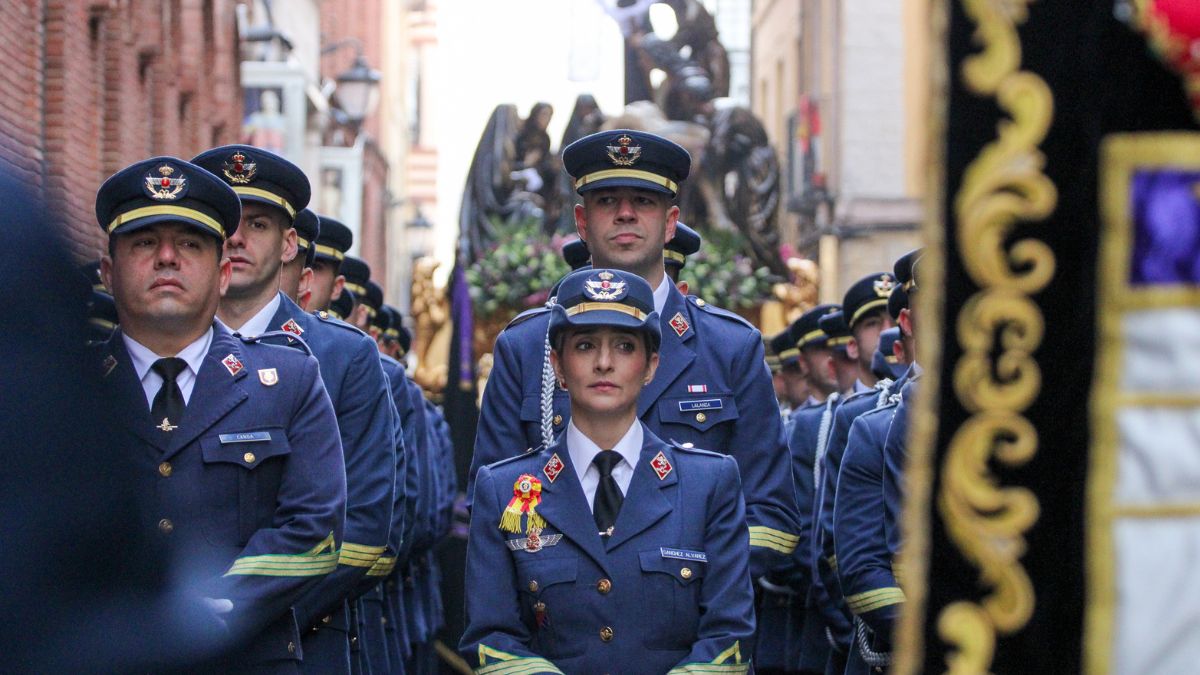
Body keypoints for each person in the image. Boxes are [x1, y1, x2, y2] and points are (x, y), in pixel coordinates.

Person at [471, 129, 801, 582]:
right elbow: (493, 508)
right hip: (560, 629)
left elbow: (773, 519)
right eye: (608, 201)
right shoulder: (527, 347)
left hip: (692, 630)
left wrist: (668, 575)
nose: (626, 214)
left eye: (644, 201)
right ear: (583, 223)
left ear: (670, 222)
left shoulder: (730, 348)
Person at [94, 156, 347, 671]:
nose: (167, 258)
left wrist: (215, 602)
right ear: (108, 271)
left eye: (189, 244)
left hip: (247, 654)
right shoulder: (64, 386)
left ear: (223, 272)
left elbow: (316, 529)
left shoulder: (289, 382)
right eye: (144, 243)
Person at [461, 268, 755, 673]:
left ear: (651, 365)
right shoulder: (503, 490)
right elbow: (491, 640)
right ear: (557, 366)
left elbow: (729, 638)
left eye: (623, 346)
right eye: (584, 346)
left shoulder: (709, 484)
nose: (603, 363)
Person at [192, 144, 398, 674]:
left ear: (288, 245)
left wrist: (238, 613)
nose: (236, 238)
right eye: (225, 222)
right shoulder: (163, 345)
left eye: (256, 224)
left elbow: (364, 528)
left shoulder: (344, 356)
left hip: (302, 641)